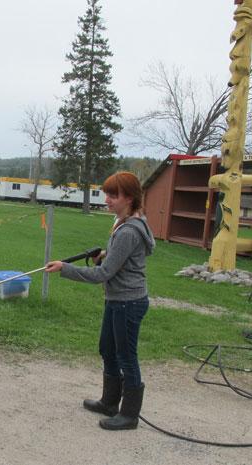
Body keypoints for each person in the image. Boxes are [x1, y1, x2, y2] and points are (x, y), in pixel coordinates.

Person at [44, 171, 155, 431]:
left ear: (129, 198)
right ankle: (109, 402)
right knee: (107, 349)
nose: (107, 199)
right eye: (107, 194)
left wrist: (65, 268)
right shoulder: (128, 221)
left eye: (113, 195)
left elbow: (103, 274)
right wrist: (106, 253)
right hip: (117, 299)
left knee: (127, 357)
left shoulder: (128, 230)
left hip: (128, 302)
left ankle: (129, 415)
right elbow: (121, 258)